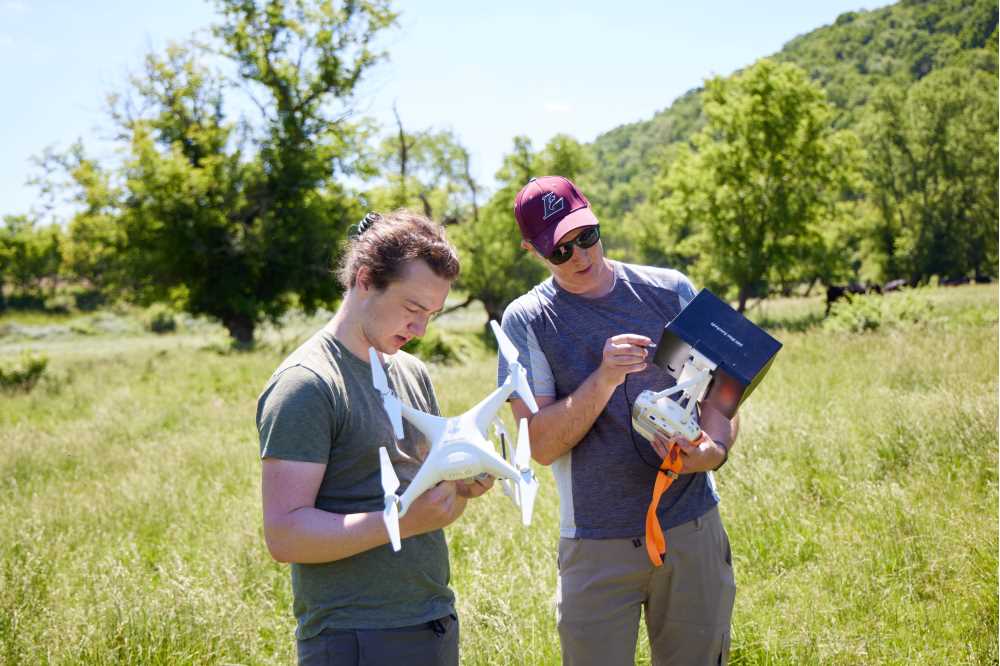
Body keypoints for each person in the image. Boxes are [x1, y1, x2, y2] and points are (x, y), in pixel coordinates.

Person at [497, 176, 740, 666]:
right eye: (560, 250)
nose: (581, 255)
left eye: (586, 236)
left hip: (691, 529)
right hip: (595, 544)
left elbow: (722, 395)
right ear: (531, 250)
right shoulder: (527, 320)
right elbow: (539, 445)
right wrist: (604, 377)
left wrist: (712, 452)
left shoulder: (670, 290)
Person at [256, 210, 493, 666]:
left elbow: (428, 506)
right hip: (355, 636)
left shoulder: (413, 373)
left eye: (433, 315)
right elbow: (284, 535)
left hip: (433, 619)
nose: (421, 329)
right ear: (365, 279)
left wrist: (460, 487)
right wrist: (400, 522)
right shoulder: (307, 384)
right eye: (412, 309)